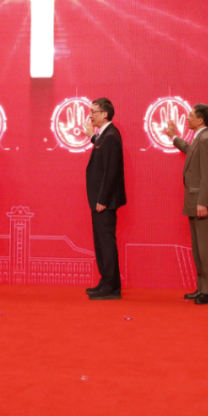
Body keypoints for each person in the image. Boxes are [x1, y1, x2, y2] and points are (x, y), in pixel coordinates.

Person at [164, 103, 208, 305]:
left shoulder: (207, 139)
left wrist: (203, 202)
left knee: (206, 250)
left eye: (190, 115)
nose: (187, 118)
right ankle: (202, 288)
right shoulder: (200, 138)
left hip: (201, 204)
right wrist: (174, 137)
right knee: (198, 250)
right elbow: (189, 150)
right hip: (194, 202)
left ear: (200, 120)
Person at [82, 97, 126, 300]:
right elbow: (101, 151)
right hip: (99, 200)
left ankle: (112, 287)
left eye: (94, 111)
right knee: (101, 243)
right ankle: (106, 280)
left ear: (105, 114)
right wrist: (92, 136)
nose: (90, 115)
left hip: (103, 202)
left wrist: (102, 199)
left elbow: (111, 172)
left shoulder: (111, 136)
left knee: (106, 243)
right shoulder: (104, 135)